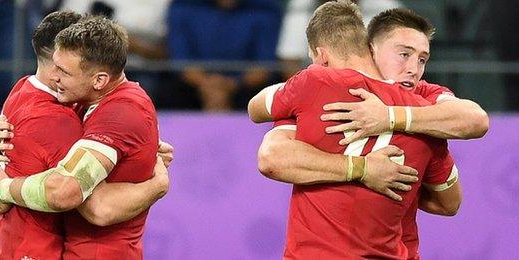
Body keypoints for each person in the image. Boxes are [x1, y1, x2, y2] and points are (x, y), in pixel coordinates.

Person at [249, 7, 488, 259]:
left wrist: (388, 117)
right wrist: (365, 170)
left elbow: (476, 121)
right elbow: (448, 201)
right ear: (371, 49)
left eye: (422, 59)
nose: (413, 69)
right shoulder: (430, 116)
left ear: (320, 56)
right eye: (404, 54)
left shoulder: (316, 84)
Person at [0, 11, 170, 259]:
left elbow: (84, 201)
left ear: (99, 80)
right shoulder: (79, 102)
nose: (52, 76)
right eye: (54, 65)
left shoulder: (116, 114)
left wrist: (5, 188)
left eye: (63, 71)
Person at [164, 0, 282, 111]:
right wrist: (208, 85)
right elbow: (181, 61)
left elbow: (263, 68)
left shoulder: (265, 10)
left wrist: (231, 85)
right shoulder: (183, 7)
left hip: (245, 89)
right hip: (192, 87)